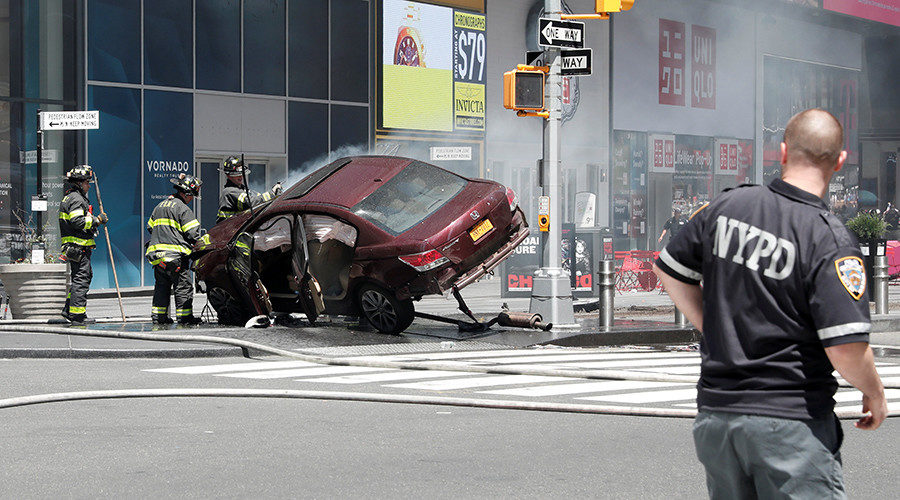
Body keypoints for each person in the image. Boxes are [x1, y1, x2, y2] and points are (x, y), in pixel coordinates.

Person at [653, 109, 886, 498]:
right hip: (790, 420)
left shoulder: (727, 207)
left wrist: (711, 324)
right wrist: (875, 392)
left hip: (718, 417)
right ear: (839, 160)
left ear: (782, 152)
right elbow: (846, 348)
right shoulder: (828, 238)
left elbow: (669, 269)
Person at [146, 173, 204, 325]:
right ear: (186, 193)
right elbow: (193, 234)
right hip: (176, 259)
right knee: (183, 288)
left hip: (158, 258)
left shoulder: (159, 206)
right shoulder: (183, 209)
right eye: (191, 195)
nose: (191, 199)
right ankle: (185, 318)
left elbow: (150, 227)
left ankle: (159, 317)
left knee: (161, 287)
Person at [58, 165, 107, 324]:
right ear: (79, 183)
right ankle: (77, 316)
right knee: (81, 279)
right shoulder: (77, 199)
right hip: (78, 247)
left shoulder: (71, 197)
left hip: (76, 247)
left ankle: (69, 309)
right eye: (86, 182)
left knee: (82, 277)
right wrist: (96, 220)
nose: (89, 185)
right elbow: (77, 221)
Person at [216, 155, 282, 223]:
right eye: (236, 175)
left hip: (235, 228)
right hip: (228, 230)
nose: (240, 176)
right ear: (228, 175)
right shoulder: (229, 191)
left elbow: (257, 197)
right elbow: (251, 203)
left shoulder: (242, 190)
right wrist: (272, 193)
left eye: (242, 174)